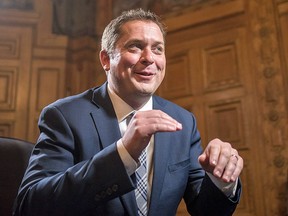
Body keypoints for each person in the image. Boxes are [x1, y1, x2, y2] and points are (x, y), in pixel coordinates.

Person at [13, 8, 243, 216]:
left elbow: (206, 211)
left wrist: (221, 179)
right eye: (135, 46)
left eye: (158, 49)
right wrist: (123, 154)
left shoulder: (183, 121)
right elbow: (30, 205)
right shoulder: (64, 116)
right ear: (105, 59)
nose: (149, 58)